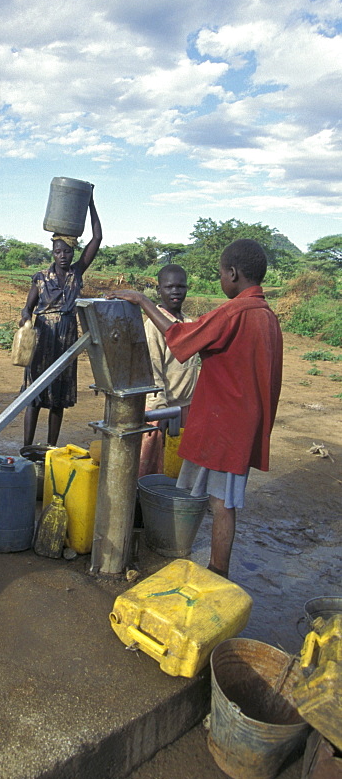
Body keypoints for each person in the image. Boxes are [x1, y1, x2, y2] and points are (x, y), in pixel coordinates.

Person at [110, 239, 282, 578]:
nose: (220, 280)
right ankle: (190, 553)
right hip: (240, 422)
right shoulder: (266, 316)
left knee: (222, 503)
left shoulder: (235, 312)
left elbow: (180, 338)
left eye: (220, 274)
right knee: (208, 495)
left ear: (233, 273)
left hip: (225, 426)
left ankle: (218, 572)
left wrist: (142, 300)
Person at [20, 192, 102, 448]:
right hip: (42, 335)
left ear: (72, 252)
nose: (63, 255)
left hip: (66, 337)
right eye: (59, 252)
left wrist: (89, 203)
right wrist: (25, 323)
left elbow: (97, 238)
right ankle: (27, 446)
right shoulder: (41, 278)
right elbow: (27, 308)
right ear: (53, 253)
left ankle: (50, 448)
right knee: (34, 395)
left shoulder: (77, 273)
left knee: (58, 395)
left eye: (67, 251)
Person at [139, 264, 200, 476]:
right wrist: (160, 409)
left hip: (185, 405)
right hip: (162, 407)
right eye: (169, 287)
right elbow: (153, 369)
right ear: (159, 290)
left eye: (181, 286)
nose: (176, 291)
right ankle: (143, 504)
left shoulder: (188, 323)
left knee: (177, 464)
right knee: (152, 463)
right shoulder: (153, 326)